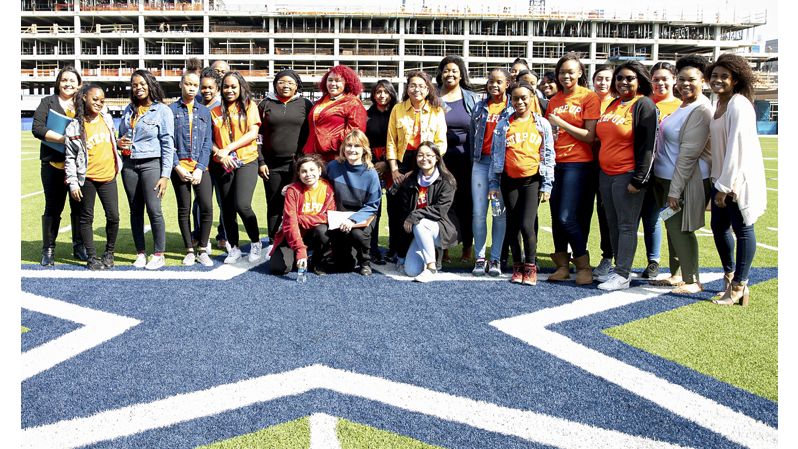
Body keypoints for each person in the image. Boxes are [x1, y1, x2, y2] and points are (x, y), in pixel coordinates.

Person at [649, 55, 713, 294]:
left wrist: (675, 190)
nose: (685, 84)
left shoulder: (701, 109)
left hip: (685, 180)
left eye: (692, 80)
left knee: (681, 228)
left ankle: (692, 279)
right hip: (665, 177)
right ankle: (676, 274)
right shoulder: (683, 105)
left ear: (703, 81)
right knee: (671, 225)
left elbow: (688, 155)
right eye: (682, 79)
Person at [707, 53, 767, 306]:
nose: (718, 80)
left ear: (735, 79)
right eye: (714, 76)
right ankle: (730, 275)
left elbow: (737, 147)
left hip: (736, 181)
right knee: (719, 228)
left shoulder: (738, 104)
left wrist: (725, 185)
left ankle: (740, 284)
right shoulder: (719, 103)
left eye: (724, 76)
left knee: (743, 230)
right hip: (719, 177)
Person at [594, 61, 658, 291]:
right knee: (612, 224)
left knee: (626, 225)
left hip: (627, 174)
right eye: (619, 78)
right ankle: (618, 269)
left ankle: (623, 274)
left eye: (629, 78)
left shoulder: (644, 105)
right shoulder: (613, 104)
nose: (623, 82)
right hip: (606, 174)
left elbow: (648, 146)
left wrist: (639, 179)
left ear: (640, 80)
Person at [488, 81, 555, 286]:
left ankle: (531, 266)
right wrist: (493, 183)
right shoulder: (503, 125)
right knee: (513, 226)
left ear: (532, 97)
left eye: (524, 97)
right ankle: (517, 266)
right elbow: (495, 156)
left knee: (527, 225)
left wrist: (547, 185)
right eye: (515, 98)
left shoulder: (541, 124)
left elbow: (549, 155)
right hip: (509, 181)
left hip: (531, 181)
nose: (520, 102)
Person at [544, 53, 601, 285]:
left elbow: (590, 136)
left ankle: (583, 265)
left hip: (578, 163)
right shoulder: (555, 99)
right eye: (562, 72)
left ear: (580, 73)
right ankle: (562, 265)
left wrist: (562, 124)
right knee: (557, 216)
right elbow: (550, 132)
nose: (566, 76)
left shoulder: (589, 97)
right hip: (554, 163)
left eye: (570, 72)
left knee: (567, 216)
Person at [386, 70, 448, 269]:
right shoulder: (398, 109)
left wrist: (425, 164)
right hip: (403, 161)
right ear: (407, 88)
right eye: (413, 85)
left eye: (421, 86)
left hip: (426, 162)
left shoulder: (436, 110)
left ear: (428, 89)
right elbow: (391, 141)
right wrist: (395, 169)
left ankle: (429, 252)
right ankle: (398, 251)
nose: (417, 89)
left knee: (420, 206)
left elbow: (441, 142)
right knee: (398, 208)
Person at [117, 69, 175, 270]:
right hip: (129, 165)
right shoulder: (129, 109)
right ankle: (140, 252)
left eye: (142, 83)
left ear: (150, 85)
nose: (138, 88)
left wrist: (165, 175)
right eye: (134, 85)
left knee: (154, 209)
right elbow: (121, 135)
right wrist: (119, 142)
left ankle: (159, 254)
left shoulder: (162, 111)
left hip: (151, 164)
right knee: (135, 211)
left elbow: (168, 143)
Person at [31, 66, 88, 265]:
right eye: (64, 80)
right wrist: (64, 139)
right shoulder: (48, 102)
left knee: (79, 208)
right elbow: (37, 128)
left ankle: (79, 246)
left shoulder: (83, 103)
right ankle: (48, 249)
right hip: (52, 165)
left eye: (72, 81)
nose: (68, 84)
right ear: (58, 82)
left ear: (79, 84)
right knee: (53, 208)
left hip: (79, 167)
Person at [63, 84, 121, 270]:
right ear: (84, 98)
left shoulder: (108, 119)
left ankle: (109, 253)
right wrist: (73, 184)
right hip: (86, 178)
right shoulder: (74, 127)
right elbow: (70, 158)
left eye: (102, 100)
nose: (99, 103)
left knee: (114, 216)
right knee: (86, 218)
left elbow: (112, 142)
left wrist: (120, 144)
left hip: (108, 176)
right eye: (95, 99)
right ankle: (92, 257)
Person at [210, 71, 263, 264]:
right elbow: (209, 140)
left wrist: (227, 149)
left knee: (242, 204)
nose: (229, 90)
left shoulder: (250, 107)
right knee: (227, 209)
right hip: (223, 164)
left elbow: (252, 134)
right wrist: (220, 154)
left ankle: (256, 242)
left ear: (241, 87)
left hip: (246, 160)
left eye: (233, 86)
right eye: (226, 86)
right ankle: (234, 248)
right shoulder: (214, 111)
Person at [637, 61, 682, 279]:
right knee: (647, 218)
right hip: (643, 171)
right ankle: (649, 261)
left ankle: (674, 267)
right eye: (656, 79)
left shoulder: (681, 107)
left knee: (669, 220)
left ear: (674, 79)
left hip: (669, 173)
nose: (660, 83)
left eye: (665, 78)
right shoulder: (643, 103)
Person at [257, 69, 312, 244]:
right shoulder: (265, 104)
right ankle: (274, 240)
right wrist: (261, 161)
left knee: (297, 203)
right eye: (281, 82)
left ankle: (298, 239)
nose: (285, 85)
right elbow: (258, 135)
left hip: (297, 164)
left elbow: (311, 133)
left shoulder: (305, 104)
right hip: (271, 165)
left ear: (297, 86)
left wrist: (305, 160)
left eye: (290, 82)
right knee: (274, 204)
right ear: (275, 85)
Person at [469, 68, 512, 277]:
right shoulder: (479, 107)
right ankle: (480, 257)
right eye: (491, 82)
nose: (494, 85)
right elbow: (472, 137)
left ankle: (495, 258)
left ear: (507, 84)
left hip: (502, 166)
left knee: (498, 213)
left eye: (499, 82)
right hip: (481, 163)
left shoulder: (513, 107)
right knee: (479, 213)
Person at [436, 55, 479, 263]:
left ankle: (467, 249)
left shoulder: (471, 98)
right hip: (440, 162)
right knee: (443, 204)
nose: (449, 74)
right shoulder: (433, 96)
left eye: (454, 70)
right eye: (446, 70)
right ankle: (443, 248)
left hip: (466, 162)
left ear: (461, 74)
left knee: (466, 205)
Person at [170, 66, 214, 267]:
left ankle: (203, 249)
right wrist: (177, 166)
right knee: (184, 208)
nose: (191, 88)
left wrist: (200, 167)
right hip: (179, 167)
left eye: (195, 85)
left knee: (206, 207)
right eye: (188, 84)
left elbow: (207, 142)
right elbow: (167, 142)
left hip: (200, 168)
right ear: (181, 84)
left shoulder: (205, 111)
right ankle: (189, 249)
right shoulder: (170, 110)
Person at [395, 142, 458, 282]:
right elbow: (404, 214)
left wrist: (415, 215)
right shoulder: (410, 180)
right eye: (420, 155)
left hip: (440, 229)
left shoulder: (447, 180)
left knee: (421, 223)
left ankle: (431, 267)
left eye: (429, 155)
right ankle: (431, 254)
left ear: (437, 158)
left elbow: (440, 210)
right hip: (418, 232)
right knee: (411, 271)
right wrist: (401, 254)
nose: (424, 158)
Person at [325, 130, 382, 276]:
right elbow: (314, 182)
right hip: (339, 216)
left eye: (357, 146)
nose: (352, 149)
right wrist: (293, 186)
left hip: (362, 216)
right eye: (349, 145)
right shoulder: (333, 167)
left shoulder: (371, 173)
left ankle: (365, 261)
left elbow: (373, 205)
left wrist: (353, 220)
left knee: (358, 234)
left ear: (364, 149)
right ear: (343, 147)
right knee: (344, 266)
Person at [269, 154, 335, 275]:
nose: (308, 174)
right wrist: (300, 250)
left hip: (314, 234)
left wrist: (301, 219)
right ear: (298, 174)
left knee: (323, 230)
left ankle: (317, 261)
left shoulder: (328, 188)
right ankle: (299, 253)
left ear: (319, 170)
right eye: (303, 171)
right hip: (292, 234)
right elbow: (290, 223)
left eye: (312, 170)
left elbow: (329, 217)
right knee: (278, 268)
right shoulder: (292, 191)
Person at [364, 79, 399, 264]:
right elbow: (363, 140)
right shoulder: (367, 115)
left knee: (394, 209)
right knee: (374, 208)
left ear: (391, 93)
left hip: (393, 165)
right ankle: (372, 248)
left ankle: (395, 248)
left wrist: (388, 163)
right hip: (372, 165)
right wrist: (371, 162)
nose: (382, 95)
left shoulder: (398, 112)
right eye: (378, 92)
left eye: (386, 92)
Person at [302, 65, 368, 162]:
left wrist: (331, 144)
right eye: (330, 80)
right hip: (313, 154)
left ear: (347, 83)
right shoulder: (321, 100)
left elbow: (354, 131)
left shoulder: (353, 103)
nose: (333, 83)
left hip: (335, 156)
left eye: (338, 81)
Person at [197, 66, 229, 250]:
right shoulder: (196, 104)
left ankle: (223, 236)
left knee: (223, 201)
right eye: (204, 87)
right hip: (201, 163)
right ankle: (200, 237)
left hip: (220, 160)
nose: (206, 90)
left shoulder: (223, 106)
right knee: (200, 203)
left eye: (210, 87)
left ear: (217, 88)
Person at [589, 65, 616, 279]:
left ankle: (609, 257)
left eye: (608, 78)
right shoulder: (588, 100)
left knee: (606, 213)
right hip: (586, 163)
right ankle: (577, 255)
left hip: (610, 166)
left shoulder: (618, 104)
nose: (603, 83)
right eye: (599, 78)